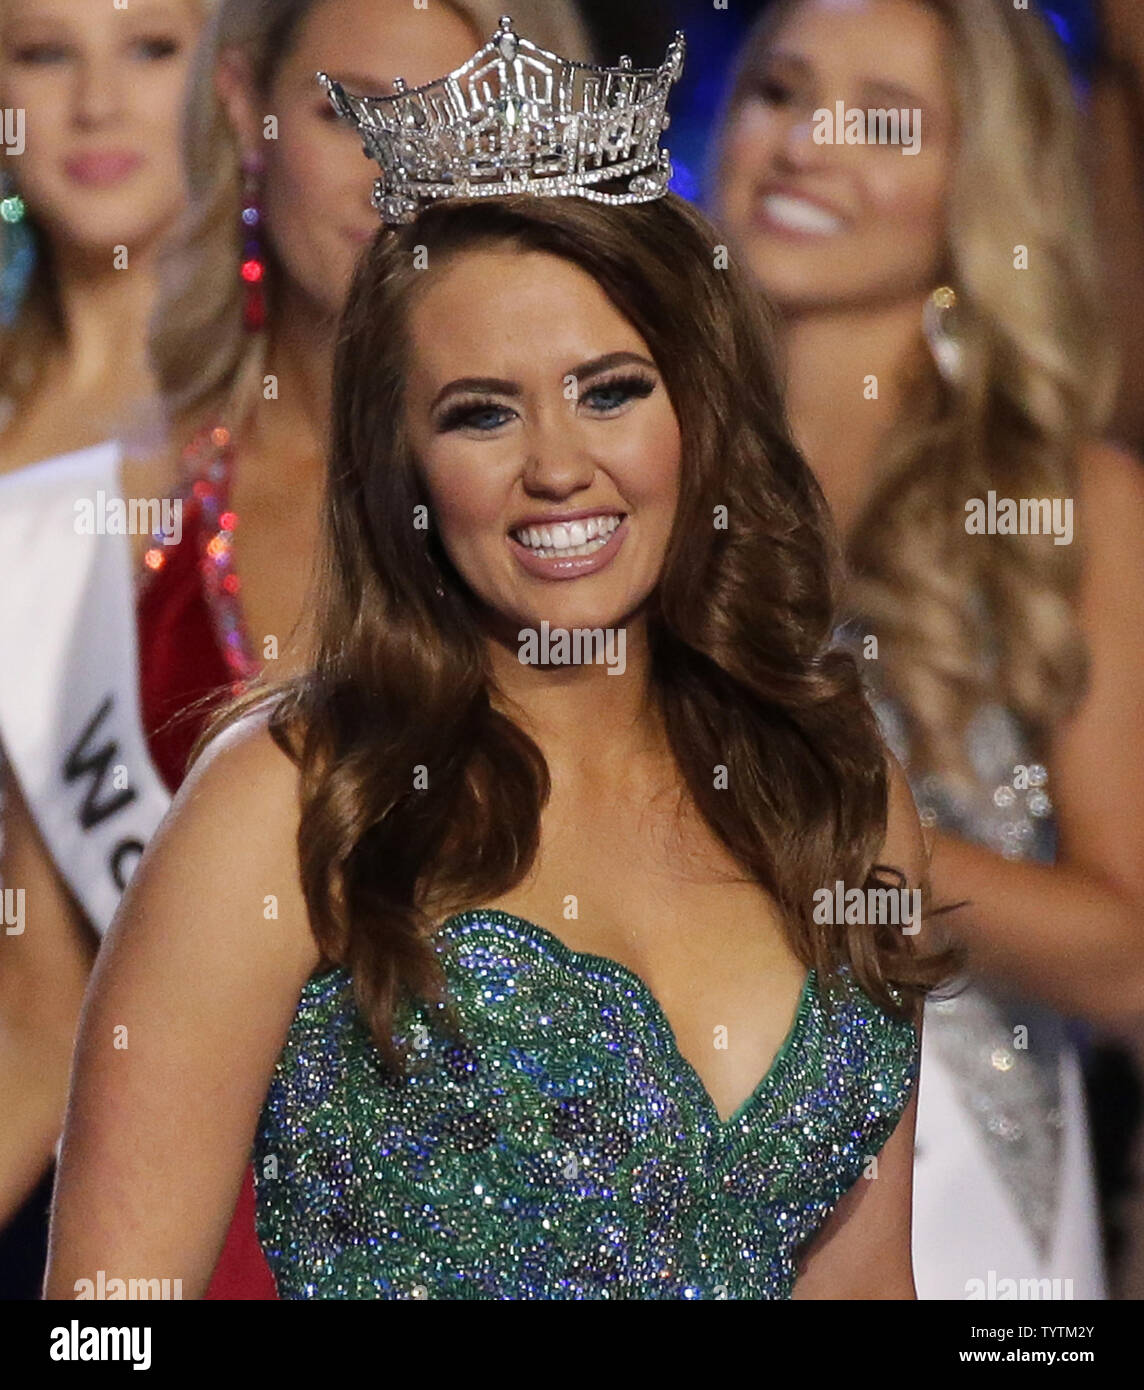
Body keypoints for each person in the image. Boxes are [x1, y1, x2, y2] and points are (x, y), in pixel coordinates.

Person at [44, 17, 951, 1299]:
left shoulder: (839, 797)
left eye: (610, 389)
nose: (557, 466)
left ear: (698, 407)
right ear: (401, 462)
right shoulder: (297, 798)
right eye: (481, 411)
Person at [0, 0, 591, 1300]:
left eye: (459, 126)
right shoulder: (94, 542)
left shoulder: (588, 527)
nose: (410, 174)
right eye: (352, 115)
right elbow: (44, 1023)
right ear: (242, 114)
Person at [710, 0, 1144, 1298]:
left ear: (981, 178)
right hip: (640, 1140)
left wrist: (816, 839)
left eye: (882, 120)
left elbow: (1129, 951)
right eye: (783, 91)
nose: (807, 143)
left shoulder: (1064, 501)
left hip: (960, 1184)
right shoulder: (626, 463)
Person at [0, 0, 212, 474]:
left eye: (149, 49)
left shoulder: (303, 389)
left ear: (230, 82)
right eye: (45, 54)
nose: (97, 105)